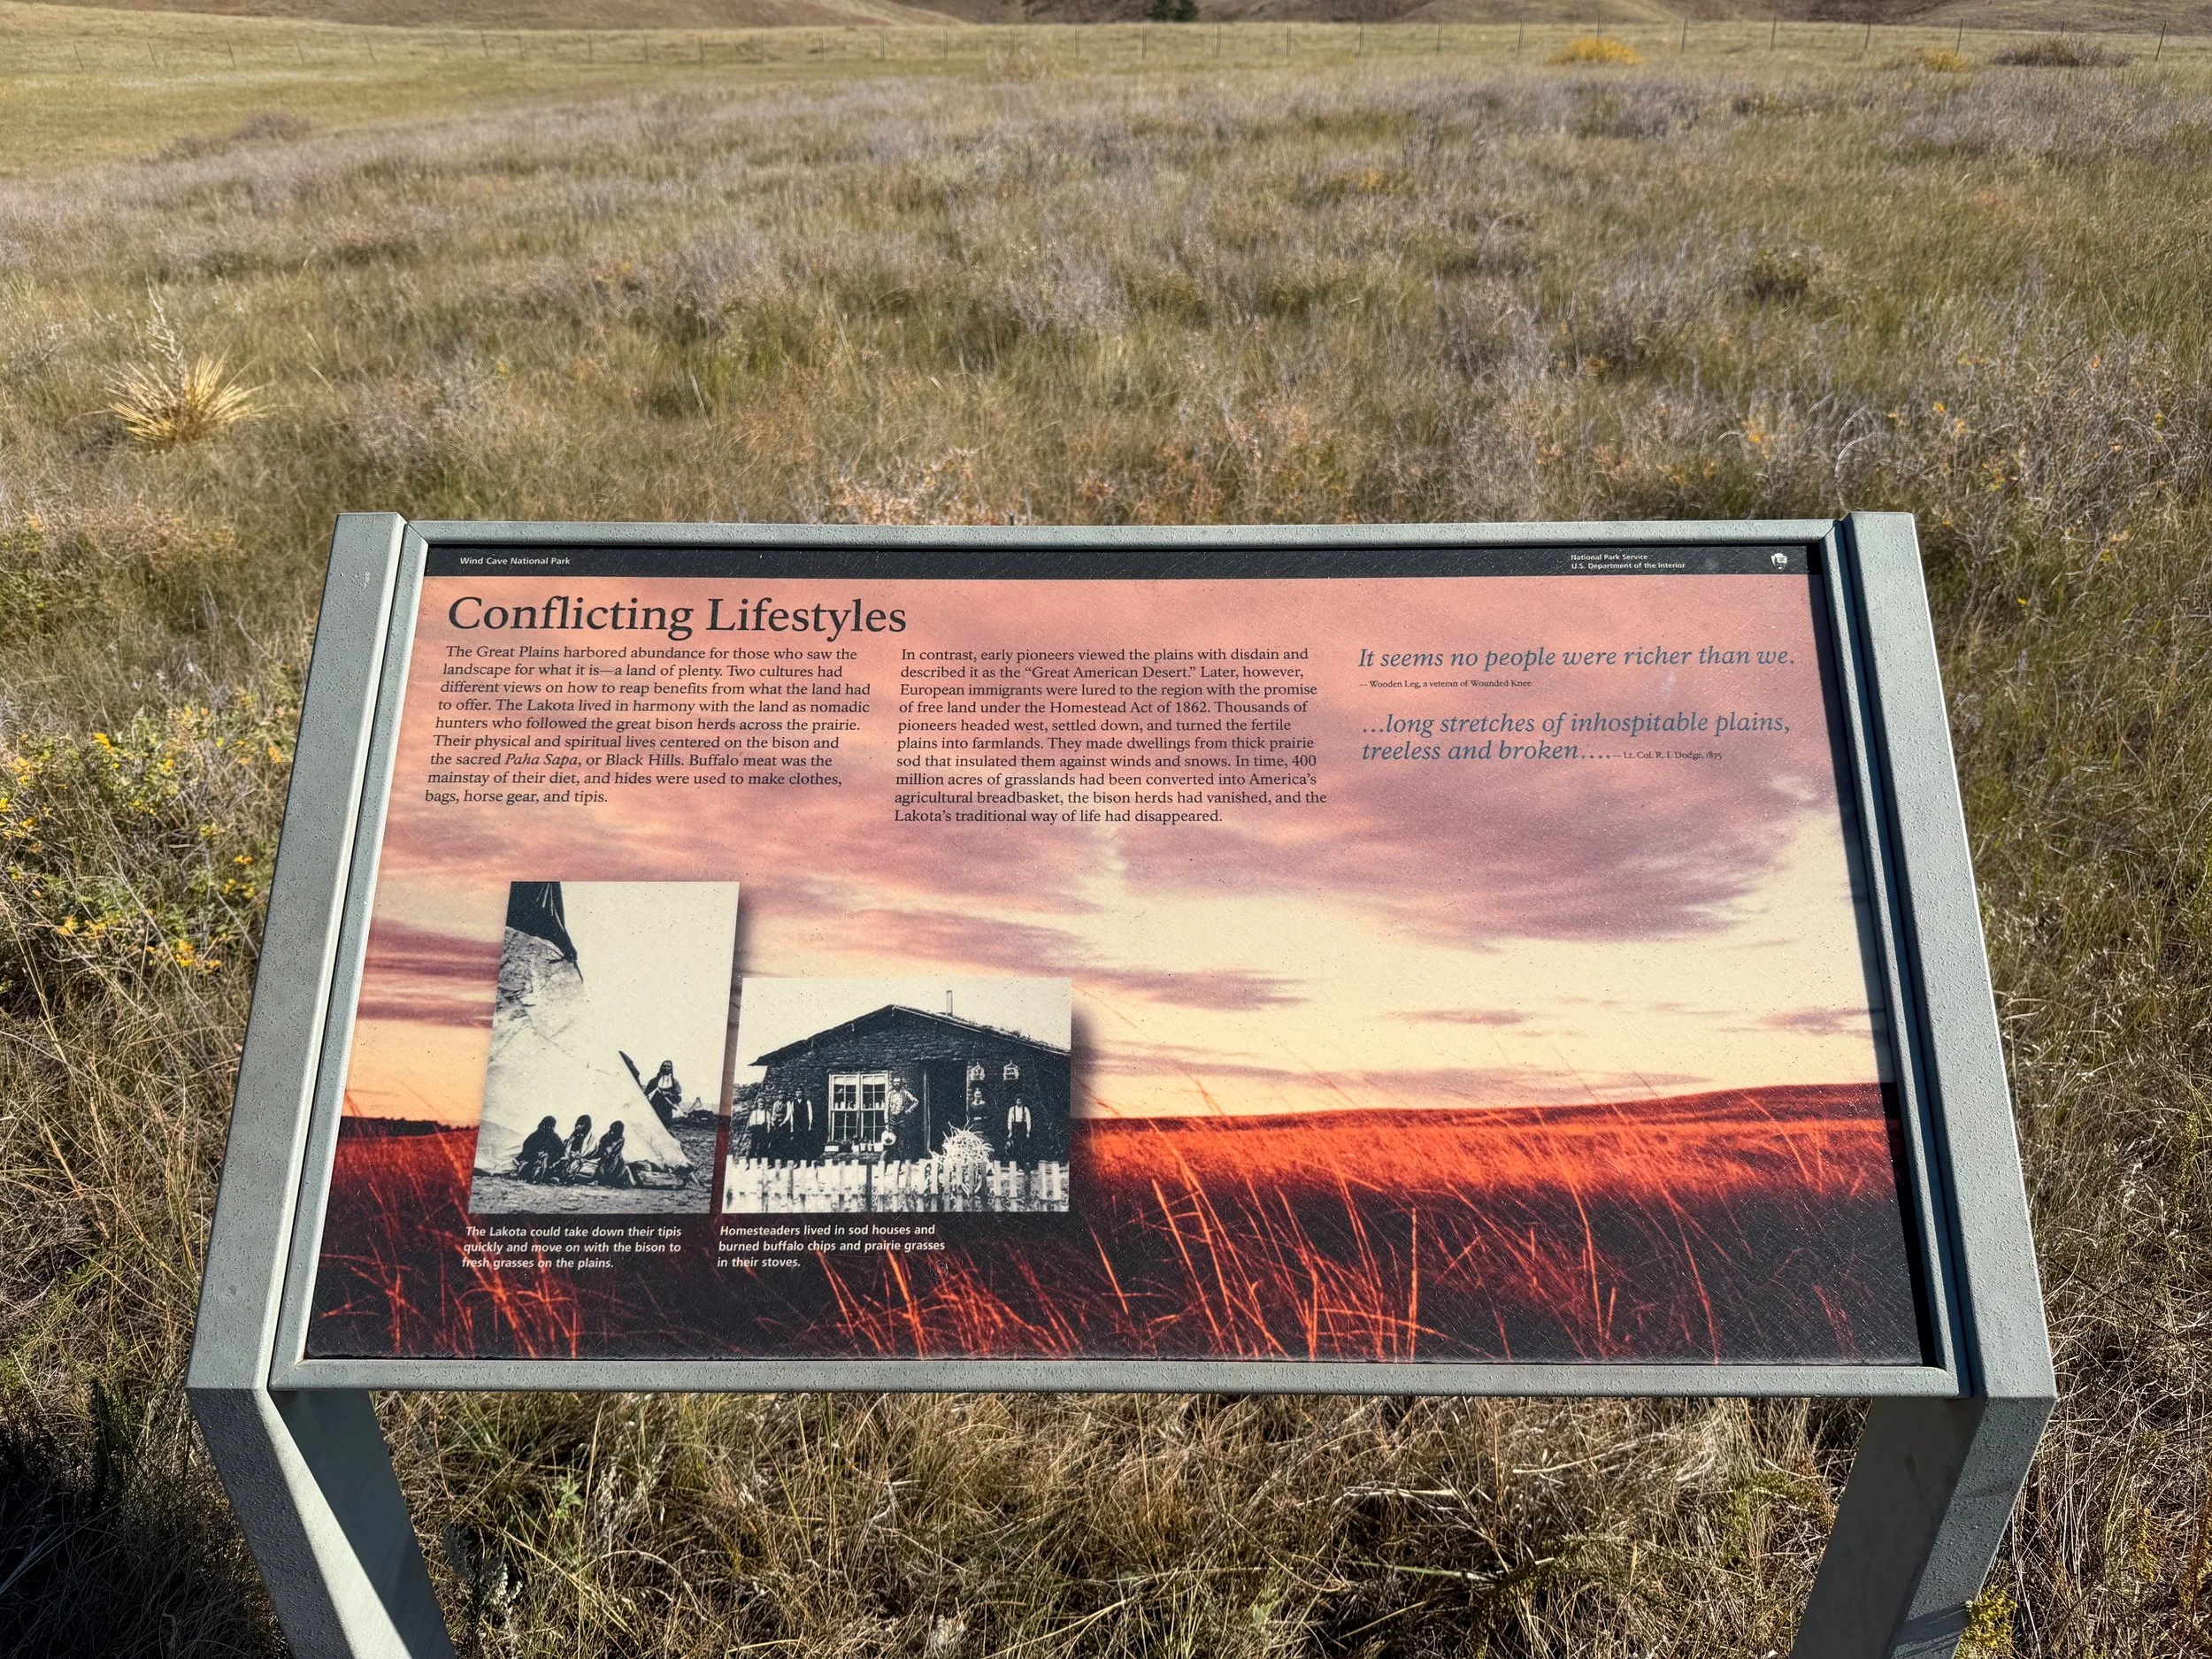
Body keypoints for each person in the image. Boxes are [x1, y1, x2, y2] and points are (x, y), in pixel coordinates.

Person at [515, 1115, 565, 1181]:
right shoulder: (535, 1136)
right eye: (550, 1126)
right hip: (533, 1159)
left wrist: (549, 1154)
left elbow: (561, 1150)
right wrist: (537, 1154)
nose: (552, 1128)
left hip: (550, 1160)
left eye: (553, 1126)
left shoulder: (555, 1137)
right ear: (545, 1125)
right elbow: (527, 1149)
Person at [643, 1060, 683, 1129]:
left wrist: (669, 1094)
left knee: (665, 1127)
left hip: (667, 1109)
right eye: (664, 1066)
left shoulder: (674, 1082)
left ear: (671, 1068)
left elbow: (678, 1097)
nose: (666, 1068)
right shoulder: (654, 1081)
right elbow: (647, 1094)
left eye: (668, 1066)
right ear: (661, 1067)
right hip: (655, 1108)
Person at [593, 1120, 634, 1187]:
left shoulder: (621, 1139)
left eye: (614, 1130)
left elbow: (616, 1150)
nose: (612, 1132)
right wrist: (605, 1149)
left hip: (614, 1158)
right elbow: (601, 1145)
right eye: (611, 1129)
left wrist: (610, 1150)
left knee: (619, 1163)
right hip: (605, 1156)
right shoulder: (606, 1137)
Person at [1003, 1094, 1034, 1168]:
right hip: (1015, 1128)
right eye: (1018, 1101)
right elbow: (1009, 1121)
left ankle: (1022, 1165)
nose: (1019, 1102)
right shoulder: (1012, 1109)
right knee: (1015, 1147)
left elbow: (1028, 1121)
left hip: (1022, 1128)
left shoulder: (1025, 1109)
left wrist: (1028, 1132)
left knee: (1022, 1146)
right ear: (1015, 1101)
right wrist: (1010, 1132)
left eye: (1020, 1101)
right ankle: (1016, 1164)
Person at [561, 1115, 594, 1179]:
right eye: (577, 1124)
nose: (578, 1127)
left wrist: (578, 1156)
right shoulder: (574, 1137)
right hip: (570, 1160)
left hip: (586, 1163)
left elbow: (589, 1153)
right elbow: (567, 1149)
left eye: (581, 1125)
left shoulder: (591, 1139)